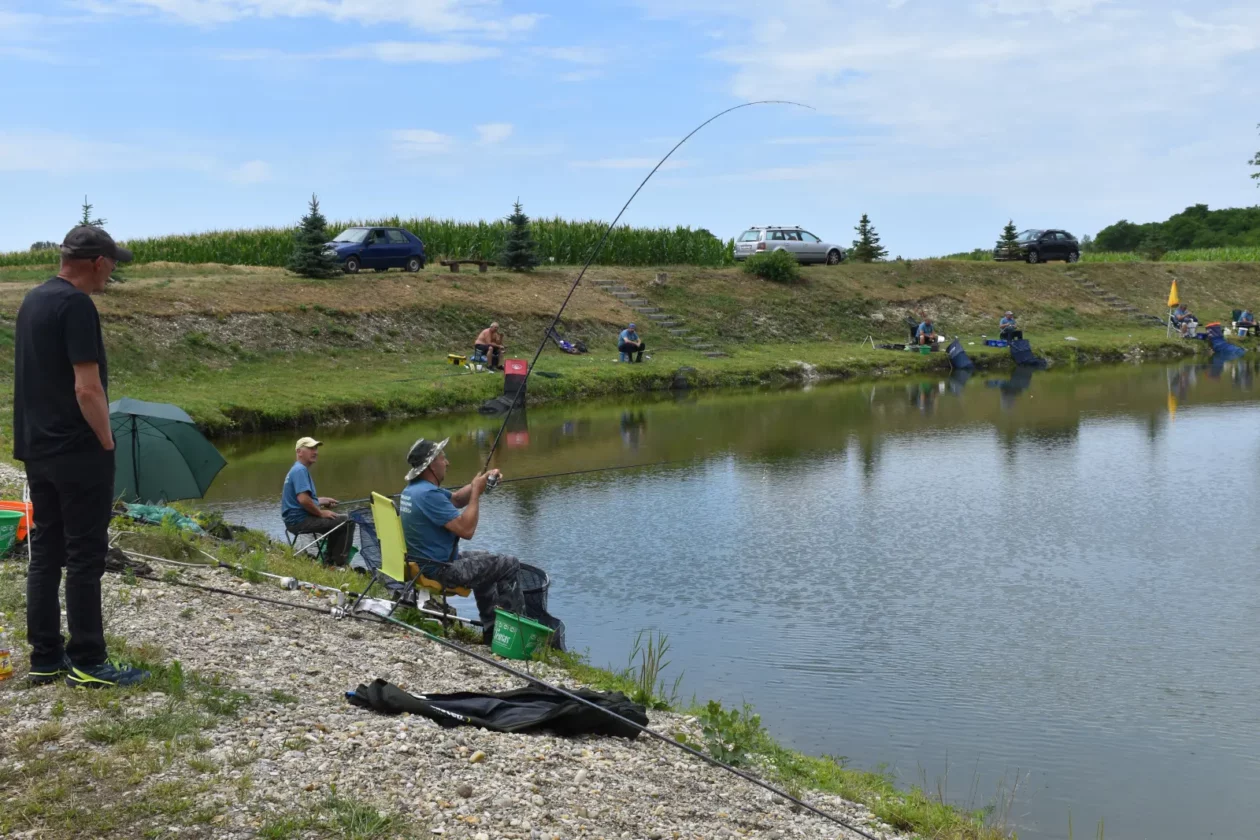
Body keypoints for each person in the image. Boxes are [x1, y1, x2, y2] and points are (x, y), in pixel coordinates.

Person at [14, 225, 149, 688]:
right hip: (77, 449)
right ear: (97, 263)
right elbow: (86, 387)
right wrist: (106, 441)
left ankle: (45, 658)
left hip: (37, 448)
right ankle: (89, 661)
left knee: (46, 553)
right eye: (112, 265)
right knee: (86, 556)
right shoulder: (76, 305)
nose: (112, 273)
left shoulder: (33, 300)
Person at [398, 438, 525, 644]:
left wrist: (481, 482)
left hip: (425, 564)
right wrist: (475, 492)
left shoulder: (414, 490)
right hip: (441, 570)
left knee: (486, 559)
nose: (447, 463)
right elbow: (467, 529)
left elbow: (456, 499)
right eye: (442, 458)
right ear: (431, 465)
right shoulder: (428, 495)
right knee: (509, 564)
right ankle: (514, 635)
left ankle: (491, 631)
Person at [281, 437, 355, 565]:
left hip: (294, 520)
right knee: (347, 521)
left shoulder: (297, 469)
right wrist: (321, 513)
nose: (315, 452)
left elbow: (301, 500)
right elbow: (303, 500)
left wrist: (322, 501)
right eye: (310, 448)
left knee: (337, 521)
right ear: (299, 452)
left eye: (315, 448)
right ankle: (337, 564)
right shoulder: (300, 470)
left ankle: (329, 561)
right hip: (299, 521)